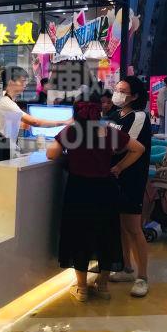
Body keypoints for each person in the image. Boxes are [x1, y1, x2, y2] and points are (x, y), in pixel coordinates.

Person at [46, 100, 144, 302]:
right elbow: (138, 148)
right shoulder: (108, 131)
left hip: (79, 190)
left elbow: (51, 153)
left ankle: (82, 289)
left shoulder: (72, 132)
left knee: (79, 236)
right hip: (105, 190)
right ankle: (103, 287)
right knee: (106, 235)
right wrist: (119, 167)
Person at [107, 76, 152, 297]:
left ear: (134, 96)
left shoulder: (139, 116)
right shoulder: (116, 115)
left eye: (123, 91)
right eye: (117, 89)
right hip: (115, 176)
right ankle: (126, 268)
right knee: (122, 226)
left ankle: (142, 277)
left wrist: (119, 167)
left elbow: (126, 147)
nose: (118, 93)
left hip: (131, 177)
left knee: (134, 227)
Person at [0, 66, 70, 154]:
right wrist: (64, 122)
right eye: (22, 81)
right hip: (3, 151)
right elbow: (35, 122)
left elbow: (22, 124)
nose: (25, 84)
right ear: (11, 82)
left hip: (8, 149)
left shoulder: (9, 101)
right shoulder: (7, 103)